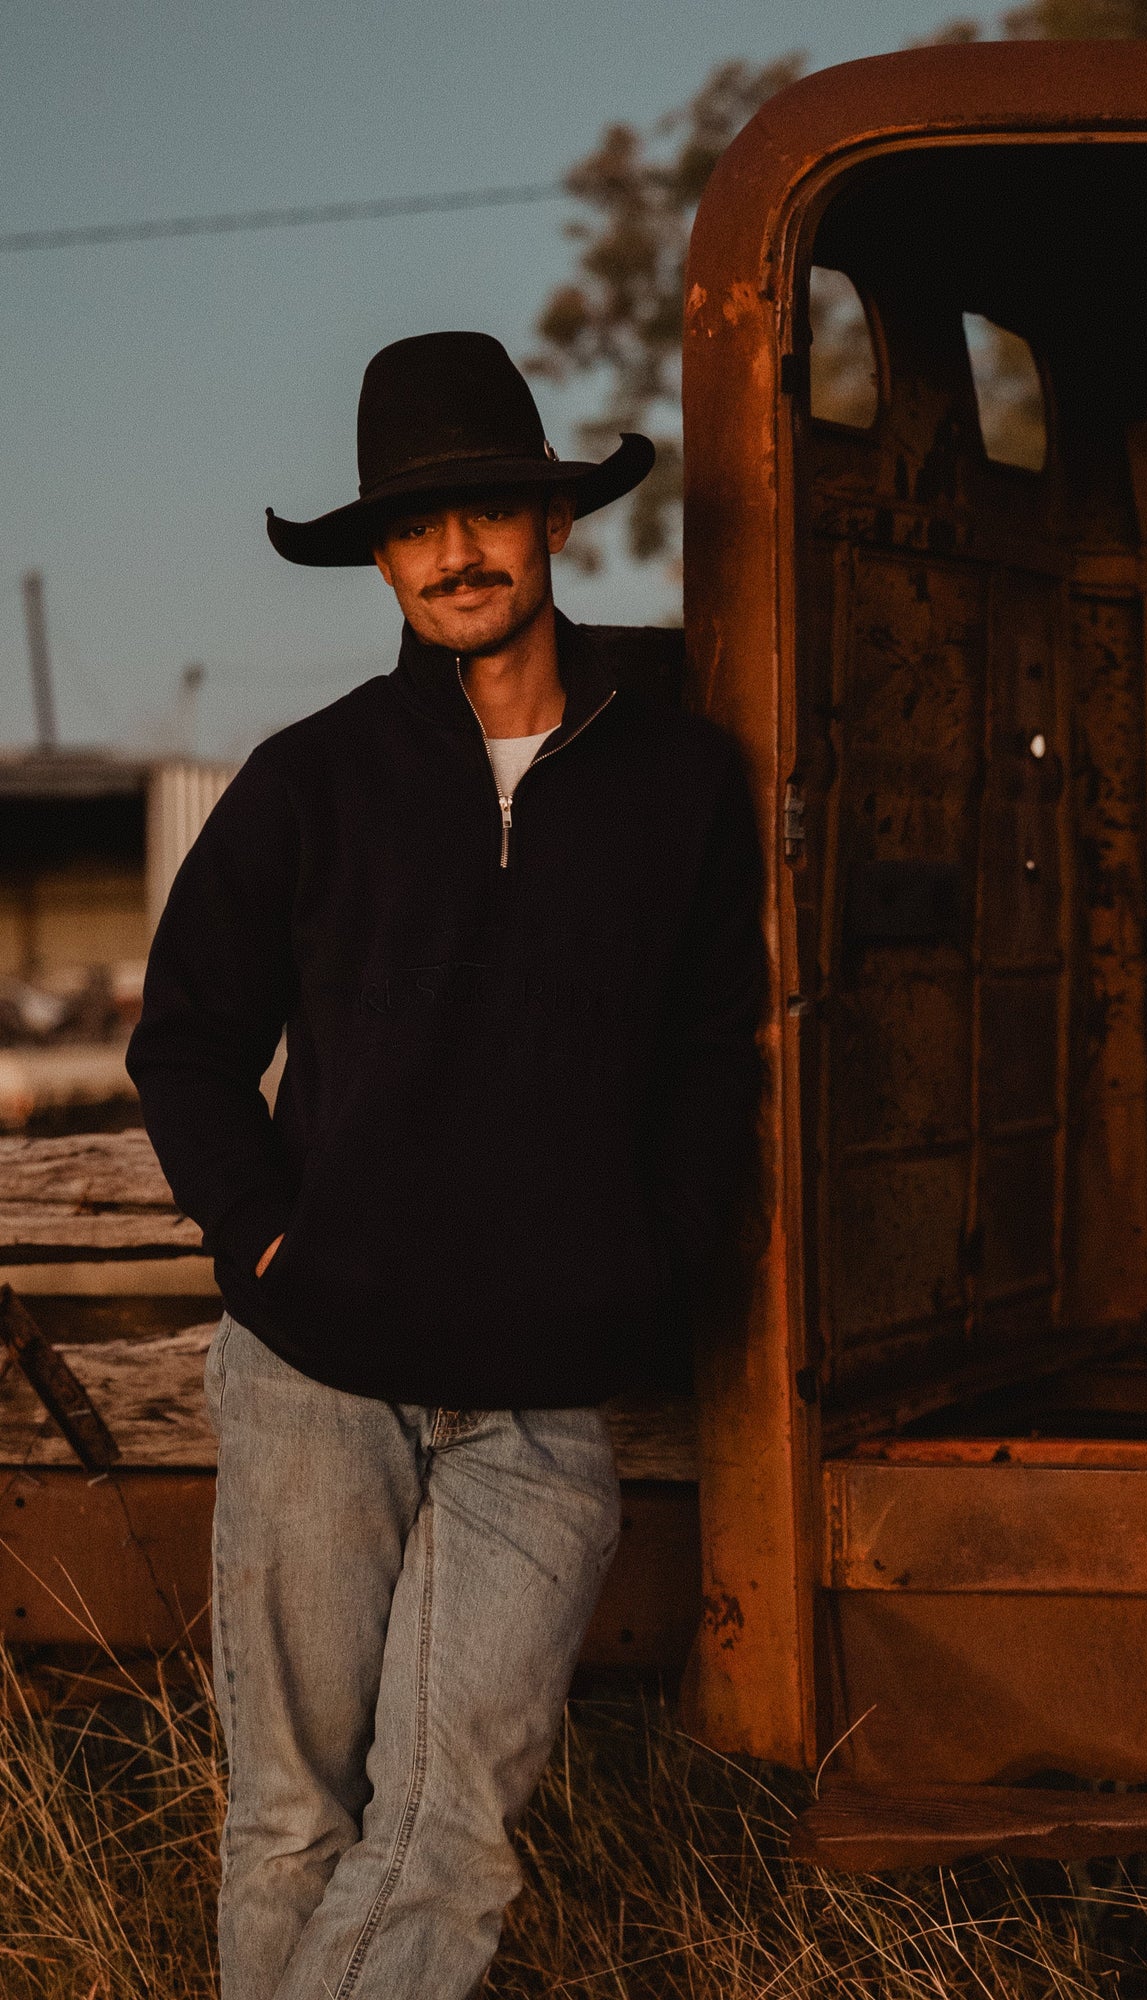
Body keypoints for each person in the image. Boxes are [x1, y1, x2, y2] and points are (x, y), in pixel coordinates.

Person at [128, 330, 764, 1999]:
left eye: (486, 512)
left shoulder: (681, 785)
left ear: (553, 526)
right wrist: (270, 1247)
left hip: (542, 1412)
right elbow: (185, 1041)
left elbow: (714, 1051)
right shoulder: (311, 783)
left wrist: (655, 1259)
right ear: (383, 559)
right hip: (316, 1383)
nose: (455, 553)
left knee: (451, 1841)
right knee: (289, 1821)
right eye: (417, 528)